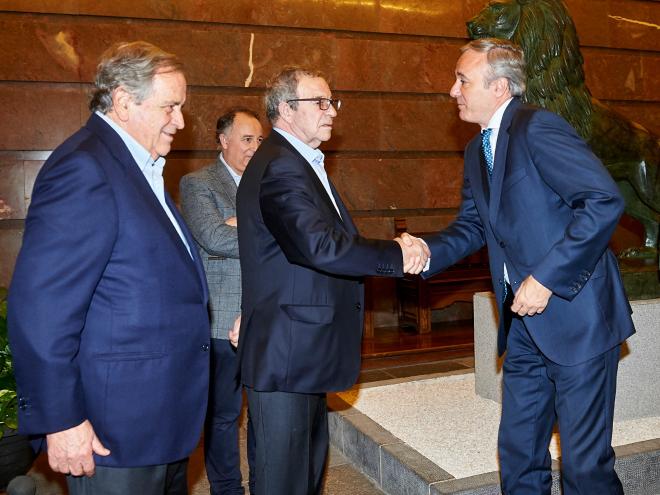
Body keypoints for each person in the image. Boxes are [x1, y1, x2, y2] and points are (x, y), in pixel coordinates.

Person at [420, 38, 635, 494]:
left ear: (499, 87)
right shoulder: (476, 151)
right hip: (520, 326)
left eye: (462, 80)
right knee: (518, 456)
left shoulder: (540, 128)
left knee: (584, 466)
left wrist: (546, 278)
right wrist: (421, 251)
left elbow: (602, 201)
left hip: (578, 320)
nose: (451, 90)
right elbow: (474, 227)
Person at [8, 41, 210, 495]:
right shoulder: (86, 168)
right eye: (170, 107)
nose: (180, 121)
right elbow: (42, 308)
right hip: (112, 433)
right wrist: (61, 420)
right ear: (123, 102)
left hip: (157, 422)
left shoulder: (136, 166)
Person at [235, 67, 429, 495]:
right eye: (319, 103)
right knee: (283, 482)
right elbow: (322, 247)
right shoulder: (281, 166)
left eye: (332, 102)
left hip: (302, 351)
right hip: (286, 354)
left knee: (305, 478)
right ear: (285, 110)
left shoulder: (296, 162)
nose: (331, 112)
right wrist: (396, 253)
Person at [180, 108, 264, 494]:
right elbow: (213, 237)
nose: (255, 148)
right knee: (224, 415)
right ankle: (227, 488)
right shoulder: (198, 183)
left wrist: (237, 223)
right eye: (247, 139)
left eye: (260, 140)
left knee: (265, 410)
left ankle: (266, 483)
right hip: (222, 315)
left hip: (266, 313)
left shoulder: (268, 183)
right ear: (223, 141)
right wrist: (262, 229)